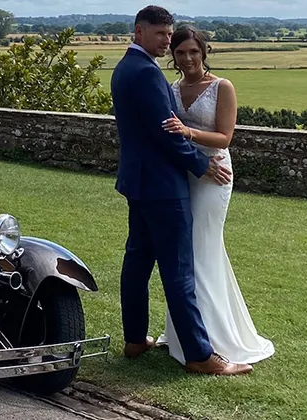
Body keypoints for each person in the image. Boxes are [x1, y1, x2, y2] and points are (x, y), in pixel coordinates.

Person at [110, 5, 250, 376]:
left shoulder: (125, 68)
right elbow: (165, 133)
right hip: (163, 186)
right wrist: (202, 165)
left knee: (137, 261)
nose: (167, 42)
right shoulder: (145, 73)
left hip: (139, 181)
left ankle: (135, 339)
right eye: (161, 35)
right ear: (139, 32)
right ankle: (200, 355)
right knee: (179, 270)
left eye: (169, 35)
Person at [154, 25, 277, 366]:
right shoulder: (172, 89)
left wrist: (187, 130)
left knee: (200, 247)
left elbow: (224, 137)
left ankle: (212, 338)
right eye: (181, 52)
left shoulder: (222, 87)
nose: (188, 58)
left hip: (214, 174)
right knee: (185, 250)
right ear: (173, 56)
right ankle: (184, 332)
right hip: (185, 175)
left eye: (194, 51)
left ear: (204, 52)